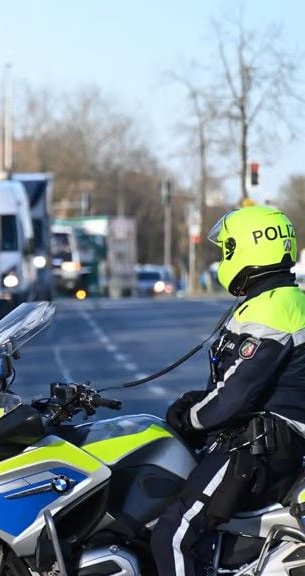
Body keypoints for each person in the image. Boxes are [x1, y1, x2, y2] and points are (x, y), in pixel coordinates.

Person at [152, 205, 305, 576]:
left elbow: (235, 397)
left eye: (227, 249)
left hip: (263, 447)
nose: (224, 257)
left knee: (170, 536)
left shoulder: (275, 308)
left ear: (248, 249)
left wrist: (188, 418)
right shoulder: (278, 300)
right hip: (268, 442)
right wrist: (197, 405)